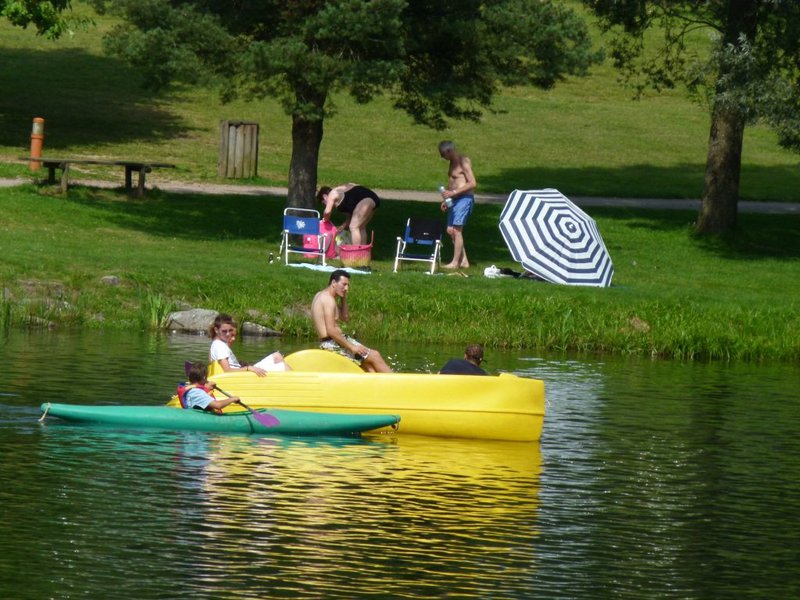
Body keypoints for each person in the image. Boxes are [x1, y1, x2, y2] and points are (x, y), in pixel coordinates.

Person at [311, 269, 392, 373]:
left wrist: (343, 298)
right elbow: (331, 330)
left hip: (332, 342)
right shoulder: (328, 300)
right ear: (334, 283)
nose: (346, 288)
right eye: (344, 284)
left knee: (369, 367)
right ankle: (398, 381)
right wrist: (352, 347)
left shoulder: (322, 295)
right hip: (332, 344)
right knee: (375, 355)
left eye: (348, 285)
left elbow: (345, 318)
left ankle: (379, 382)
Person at [209, 313, 290, 375]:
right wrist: (248, 368)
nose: (228, 334)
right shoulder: (220, 347)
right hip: (241, 376)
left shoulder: (217, 344)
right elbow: (228, 371)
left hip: (242, 372)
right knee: (282, 366)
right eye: (224, 331)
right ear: (216, 330)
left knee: (277, 356)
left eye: (230, 330)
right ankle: (295, 384)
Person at [438, 140, 477, 270]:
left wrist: (453, 192)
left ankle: (455, 263)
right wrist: (447, 199)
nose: (442, 157)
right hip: (454, 200)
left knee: (457, 230)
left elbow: (472, 183)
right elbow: (453, 182)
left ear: (449, 151)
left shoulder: (463, 161)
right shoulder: (452, 163)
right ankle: (464, 261)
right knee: (450, 231)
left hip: (464, 198)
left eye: (443, 154)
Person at [316, 183, 380, 246]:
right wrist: (342, 226)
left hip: (366, 200)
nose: (325, 205)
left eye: (323, 202)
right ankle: (363, 251)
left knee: (353, 227)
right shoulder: (342, 196)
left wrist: (325, 220)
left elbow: (327, 212)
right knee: (361, 227)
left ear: (325, 196)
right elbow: (352, 216)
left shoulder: (332, 194)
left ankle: (356, 251)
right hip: (373, 198)